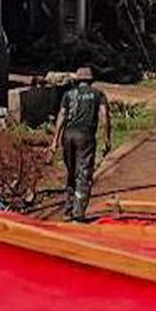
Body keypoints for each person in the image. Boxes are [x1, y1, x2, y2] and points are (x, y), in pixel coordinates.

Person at [49, 69, 111, 220]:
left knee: (71, 172)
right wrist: (107, 139)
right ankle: (78, 213)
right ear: (91, 80)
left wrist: (55, 141)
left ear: (77, 81)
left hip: (68, 135)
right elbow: (104, 116)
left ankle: (68, 210)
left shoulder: (68, 94)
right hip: (85, 137)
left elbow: (62, 116)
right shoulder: (98, 94)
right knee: (83, 173)